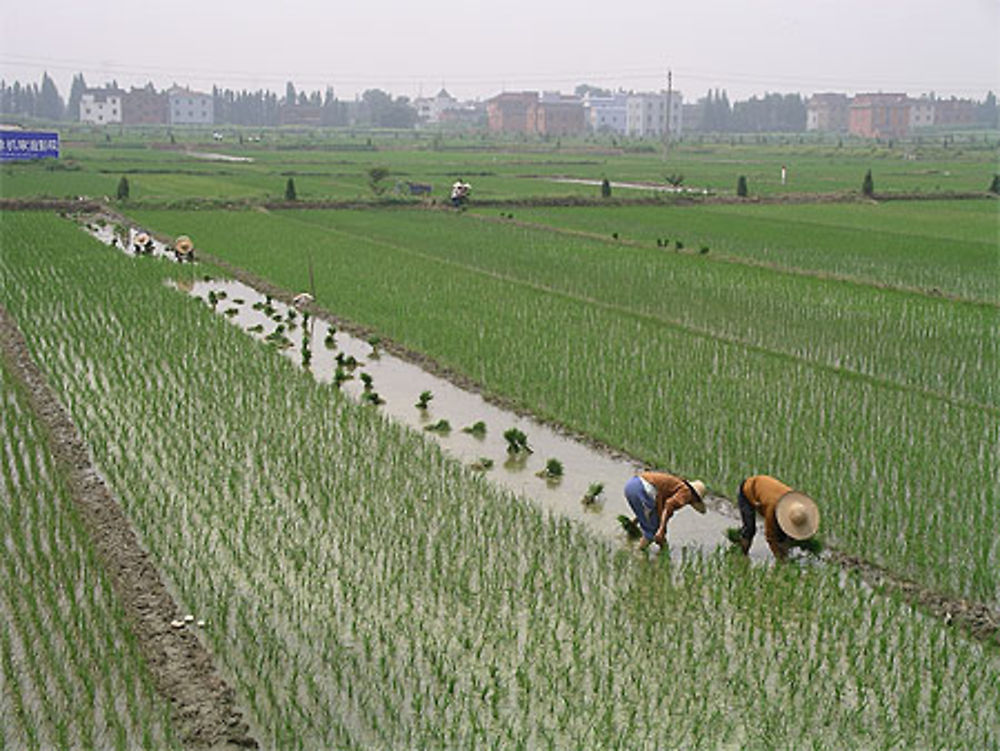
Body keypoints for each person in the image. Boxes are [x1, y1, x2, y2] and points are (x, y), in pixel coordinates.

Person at [736, 475, 819, 560]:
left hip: (766, 489)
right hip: (748, 490)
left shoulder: (796, 503)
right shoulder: (772, 508)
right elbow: (770, 537)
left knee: (782, 533)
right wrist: (780, 559)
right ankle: (740, 556)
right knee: (750, 529)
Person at [623, 471, 707, 550]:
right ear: (696, 498)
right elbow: (669, 506)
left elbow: (655, 509)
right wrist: (661, 529)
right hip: (642, 489)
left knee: (653, 523)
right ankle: (638, 554)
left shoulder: (676, 486)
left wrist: (635, 521)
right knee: (652, 531)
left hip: (632, 484)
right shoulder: (686, 493)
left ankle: (629, 542)